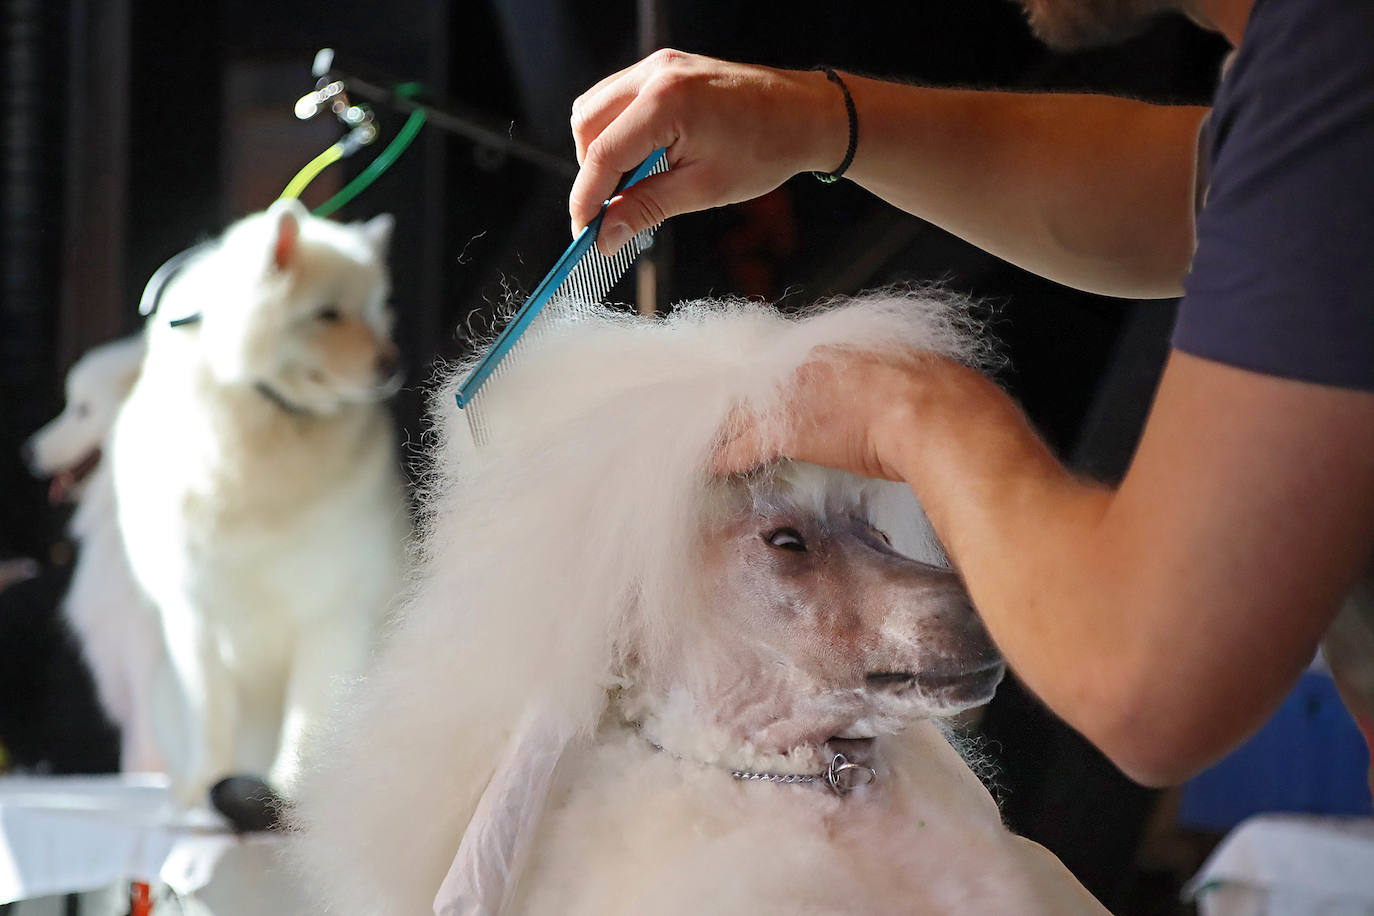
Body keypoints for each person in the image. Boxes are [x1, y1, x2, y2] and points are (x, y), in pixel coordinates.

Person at [567, 0, 1374, 786]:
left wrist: (905, 406)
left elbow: (1145, 679)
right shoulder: (1315, 80)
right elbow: (1200, 191)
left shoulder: (1341, 61)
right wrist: (818, 120)